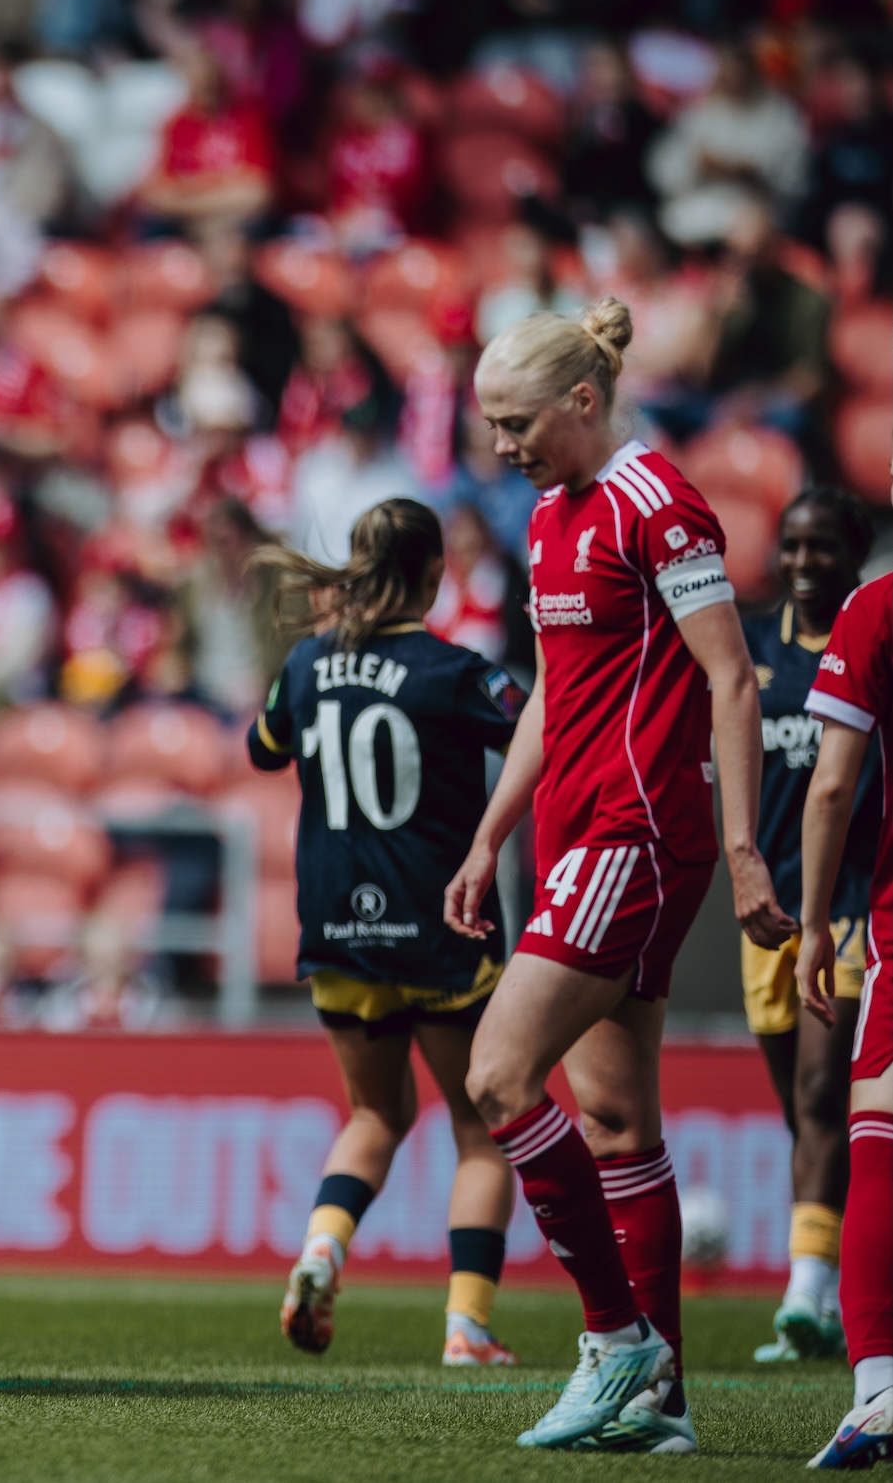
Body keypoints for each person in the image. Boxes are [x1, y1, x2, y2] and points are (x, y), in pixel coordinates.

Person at [443, 299, 790, 1454]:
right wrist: (490, 834)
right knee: (611, 1115)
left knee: (496, 1078)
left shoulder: (658, 506)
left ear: (581, 402)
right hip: (567, 831)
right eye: (490, 423)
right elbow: (554, 688)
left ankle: (613, 1340)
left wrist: (744, 847)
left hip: (632, 833)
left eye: (514, 421)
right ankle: (662, 1403)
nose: (500, 445)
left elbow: (729, 680)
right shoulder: (550, 516)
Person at [247, 499, 522, 1368]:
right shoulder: (453, 672)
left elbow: (262, 748)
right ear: (436, 572)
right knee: (480, 1130)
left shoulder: (304, 661)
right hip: (438, 924)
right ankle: (466, 1327)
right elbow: (538, 733)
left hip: (337, 926)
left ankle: (321, 1251)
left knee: (374, 1110)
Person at [744, 488, 880, 1367]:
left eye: (821, 547)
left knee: (822, 1098)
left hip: (851, 906)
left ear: (852, 554)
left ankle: (801, 1295)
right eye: (791, 545)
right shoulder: (751, 650)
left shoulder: (872, 637)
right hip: (771, 914)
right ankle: (825, 1285)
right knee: (801, 1114)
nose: (801, 562)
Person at [794, 473, 893, 1468]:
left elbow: (830, 786)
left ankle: (876, 1389)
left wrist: (818, 921)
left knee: (877, 1134)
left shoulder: (874, 607)